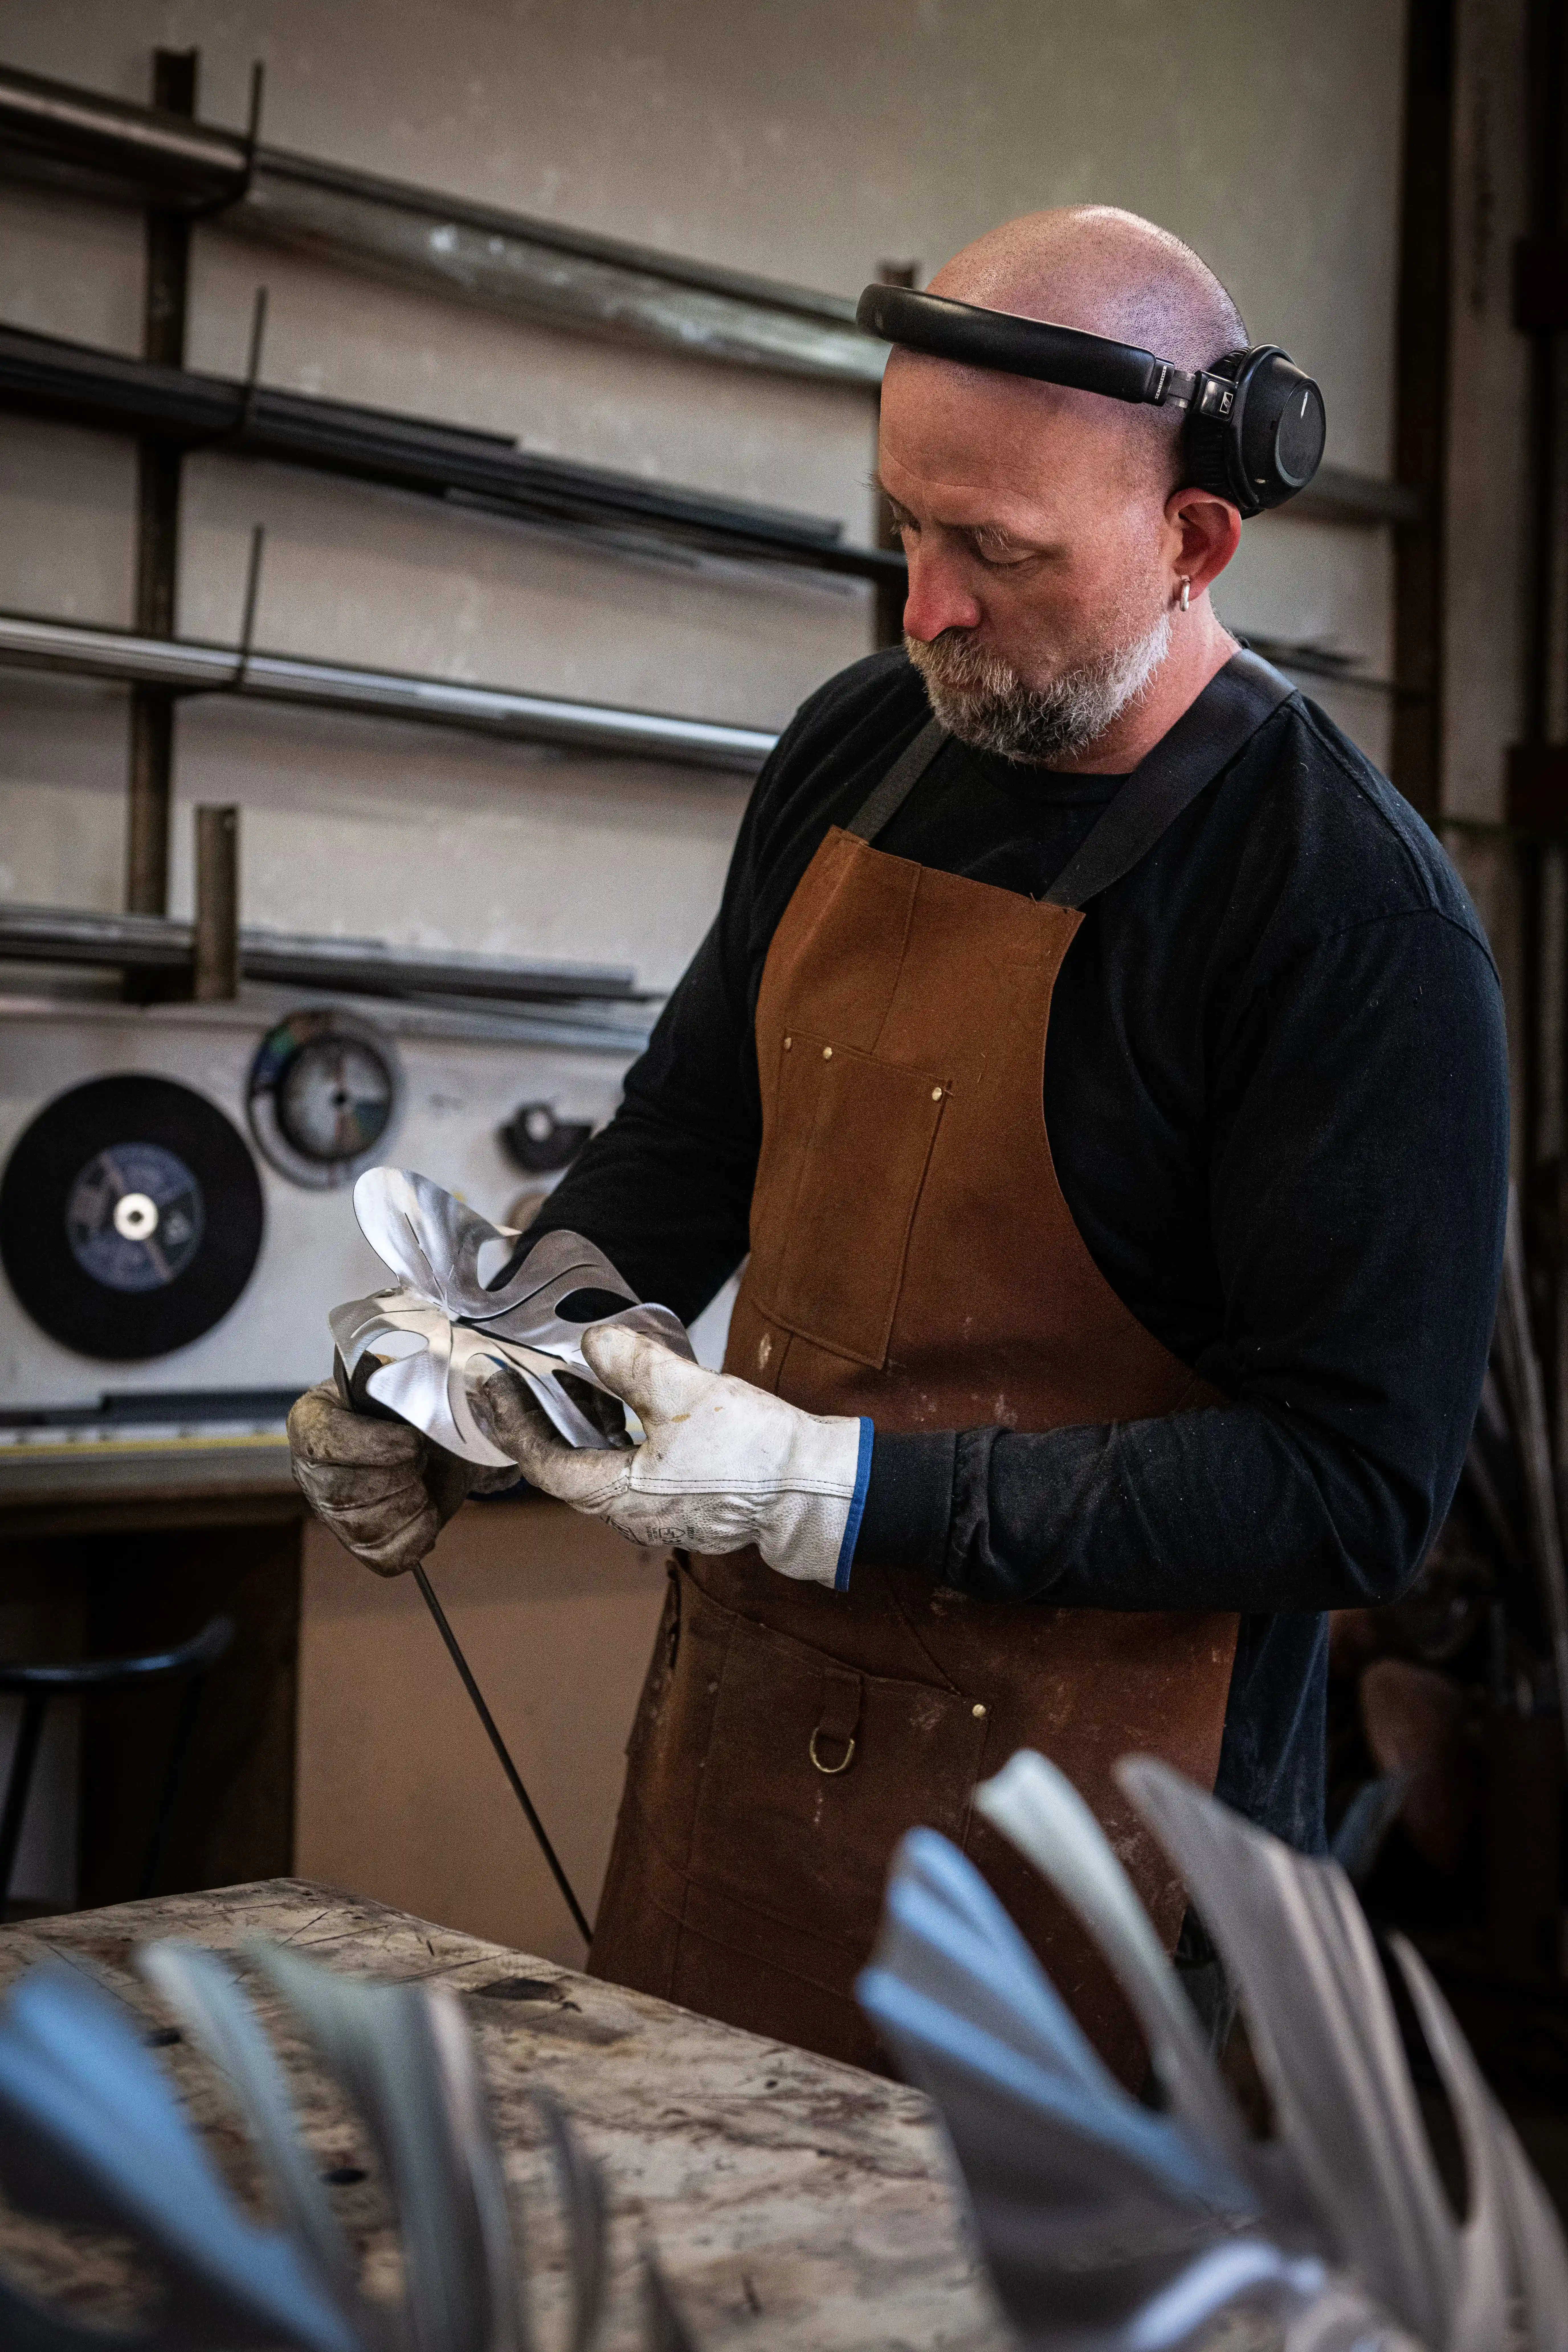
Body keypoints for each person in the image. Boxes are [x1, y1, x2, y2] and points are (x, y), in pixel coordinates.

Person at [290, 205, 1509, 2077]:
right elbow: (685, 1143)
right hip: (746, 1771)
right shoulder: (866, 741)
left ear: (1198, 540)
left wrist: (834, 1493)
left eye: (995, 554)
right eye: (907, 531)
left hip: (1096, 1877)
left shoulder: (1346, 917)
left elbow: (1351, 1485)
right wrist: (487, 1368)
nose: (924, 608)